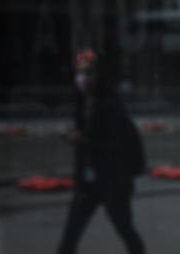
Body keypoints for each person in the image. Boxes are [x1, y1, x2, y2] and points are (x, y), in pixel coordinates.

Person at [57, 49, 146, 254]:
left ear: (97, 75)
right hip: (88, 182)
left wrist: (83, 140)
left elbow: (116, 146)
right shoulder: (81, 104)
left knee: (124, 228)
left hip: (112, 181)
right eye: (79, 73)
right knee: (71, 234)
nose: (83, 78)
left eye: (88, 72)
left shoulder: (110, 105)